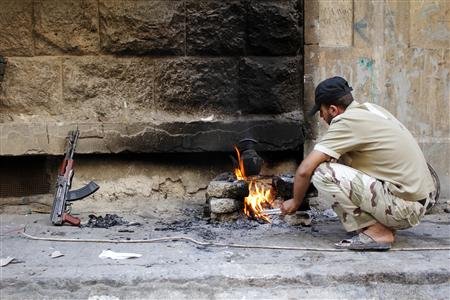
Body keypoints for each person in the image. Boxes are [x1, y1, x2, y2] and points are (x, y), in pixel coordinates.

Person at [280, 76, 435, 250]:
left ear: (332, 109)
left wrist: (295, 202)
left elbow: (304, 170)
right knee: (338, 159)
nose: (322, 117)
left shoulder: (345, 122)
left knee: (323, 172)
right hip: (421, 201)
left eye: (321, 111)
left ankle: (377, 231)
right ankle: (381, 224)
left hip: (404, 209)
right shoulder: (371, 109)